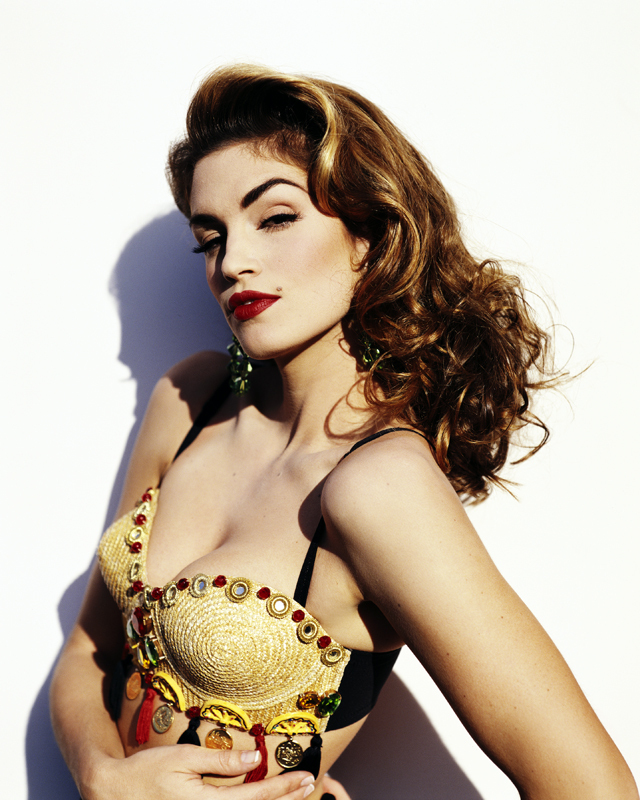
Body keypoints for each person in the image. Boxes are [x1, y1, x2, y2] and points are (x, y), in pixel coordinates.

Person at [50, 64, 638, 800]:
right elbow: (87, 652)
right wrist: (101, 776)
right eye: (210, 238)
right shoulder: (190, 398)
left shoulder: (379, 484)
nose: (233, 262)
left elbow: (594, 787)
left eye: (275, 218)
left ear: (371, 235)